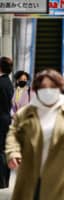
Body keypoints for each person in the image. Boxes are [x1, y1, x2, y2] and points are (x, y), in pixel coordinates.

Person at [5, 69, 64, 200]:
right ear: (36, 89)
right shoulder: (25, 113)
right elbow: (13, 136)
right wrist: (13, 153)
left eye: (52, 87)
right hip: (31, 178)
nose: (48, 90)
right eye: (43, 87)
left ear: (59, 87)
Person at [0, 56, 13, 188]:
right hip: (5, 118)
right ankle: (4, 180)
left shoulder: (1, 83)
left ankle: (2, 180)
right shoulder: (7, 82)